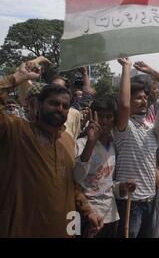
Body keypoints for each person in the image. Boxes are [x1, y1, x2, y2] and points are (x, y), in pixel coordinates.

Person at [0, 61, 99, 237]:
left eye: (65, 106)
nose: (60, 109)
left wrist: (87, 210)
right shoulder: (17, 131)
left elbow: (70, 185)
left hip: (65, 230)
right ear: (38, 105)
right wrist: (16, 78)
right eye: (53, 103)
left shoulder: (68, 140)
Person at [113, 58, 159, 238]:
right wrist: (126, 68)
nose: (144, 101)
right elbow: (123, 105)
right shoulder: (124, 126)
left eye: (146, 98)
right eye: (138, 97)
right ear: (129, 99)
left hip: (150, 200)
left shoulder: (151, 129)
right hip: (130, 201)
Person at [74, 95, 137, 238]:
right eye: (100, 116)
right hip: (85, 215)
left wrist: (123, 186)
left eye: (109, 116)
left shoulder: (113, 146)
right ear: (92, 117)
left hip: (110, 214)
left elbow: (107, 183)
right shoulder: (81, 144)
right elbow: (76, 178)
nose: (104, 121)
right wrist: (91, 141)